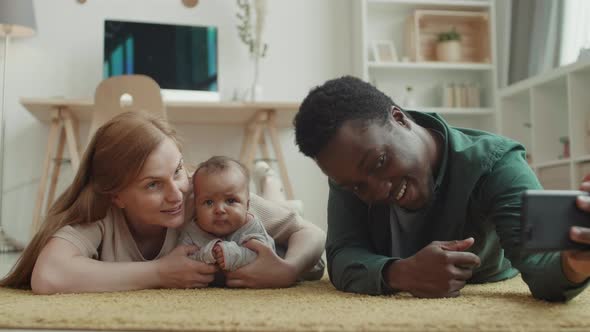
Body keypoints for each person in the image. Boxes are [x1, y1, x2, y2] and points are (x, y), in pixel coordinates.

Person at [293, 76, 590, 301]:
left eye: (380, 162)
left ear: (399, 119)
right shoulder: (351, 172)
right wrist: (400, 273)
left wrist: (575, 263)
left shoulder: (496, 164)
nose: (378, 190)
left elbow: (540, 267)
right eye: (357, 186)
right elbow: (343, 254)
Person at [0, 111, 325, 294]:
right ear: (117, 196)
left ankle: (272, 190)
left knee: (273, 211)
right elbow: (50, 275)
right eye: (153, 184)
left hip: (254, 229)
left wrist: (289, 269)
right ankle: (272, 189)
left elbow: (310, 233)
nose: (177, 193)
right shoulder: (102, 215)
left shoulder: (204, 194)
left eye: (178, 170)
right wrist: (158, 272)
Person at [179, 156, 276, 274]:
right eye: (208, 202)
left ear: (247, 205)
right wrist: (210, 253)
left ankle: (268, 180)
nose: (219, 210)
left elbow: (267, 256)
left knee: (277, 200)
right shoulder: (193, 232)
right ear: (196, 207)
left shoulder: (251, 227)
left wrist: (231, 254)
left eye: (230, 201)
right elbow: (183, 260)